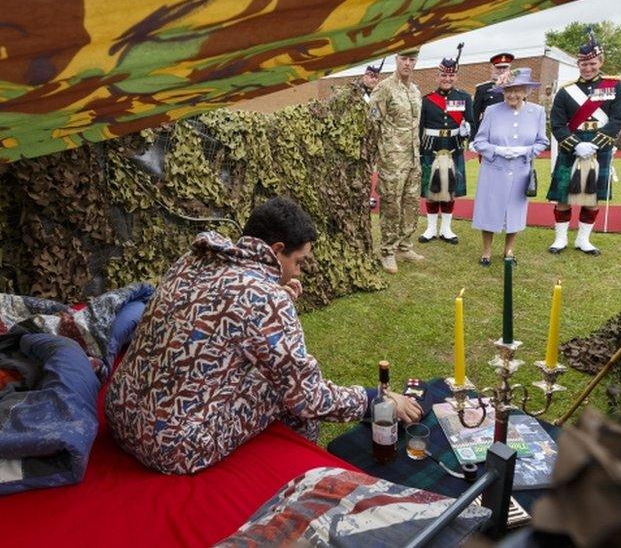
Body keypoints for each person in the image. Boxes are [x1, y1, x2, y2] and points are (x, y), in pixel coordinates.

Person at [105, 197, 422, 475]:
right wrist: (375, 399)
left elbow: (220, 312)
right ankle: (295, 471)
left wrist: (275, 301)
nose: (297, 272)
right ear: (277, 250)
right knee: (289, 394)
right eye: (297, 262)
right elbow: (308, 397)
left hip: (120, 413)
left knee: (269, 370)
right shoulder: (265, 298)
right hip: (168, 446)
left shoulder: (196, 258)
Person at [546, 31, 621, 255]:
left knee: (593, 197)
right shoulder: (565, 91)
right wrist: (575, 145)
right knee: (563, 196)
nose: (587, 68)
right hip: (572, 145)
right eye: (583, 63)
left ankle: (583, 240)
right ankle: (560, 239)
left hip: (600, 146)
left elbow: (618, 119)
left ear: (601, 61)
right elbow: (557, 123)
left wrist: (596, 144)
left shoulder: (614, 87)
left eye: (592, 63)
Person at [471, 68, 549, 265]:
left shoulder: (537, 112)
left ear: (525, 91)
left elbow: (542, 142)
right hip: (494, 169)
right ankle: (486, 251)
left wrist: (525, 151)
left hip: (520, 170)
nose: (512, 94)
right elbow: (479, 142)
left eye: (517, 90)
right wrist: (497, 150)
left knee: (515, 211)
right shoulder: (491, 111)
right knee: (489, 209)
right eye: (508, 90)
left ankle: (509, 250)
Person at [369, 47, 424, 273]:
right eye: (404, 59)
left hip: (413, 157)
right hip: (392, 158)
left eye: (412, 59)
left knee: (411, 202)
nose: (408, 64)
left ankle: (404, 245)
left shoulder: (415, 91)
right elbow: (372, 123)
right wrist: (378, 155)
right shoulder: (384, 89)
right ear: (396, 59)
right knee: (392, 205)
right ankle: (387, 251)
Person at [418, 54, 474, 244]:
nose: (447, 79)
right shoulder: (426, 100)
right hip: (430, 148)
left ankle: (446, 229)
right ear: (437, 76)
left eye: (451, 76)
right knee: (430, 190)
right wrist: (418, 149)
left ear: (456, 77)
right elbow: (420, 127)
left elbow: (472, 123)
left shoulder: (464, 98)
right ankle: (431, 228)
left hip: (453, 148)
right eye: (443, 75)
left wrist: (468, 131)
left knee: (450, 188)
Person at [471, 52, 515, 140]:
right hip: (489, 134)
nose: (502, 71)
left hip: (512, 133)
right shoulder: (483, 89)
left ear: (509, 69)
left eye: (505, 67)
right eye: (498, 67)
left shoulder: (517, 88)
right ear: (492, 69)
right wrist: (473, 138)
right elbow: (475, 116)